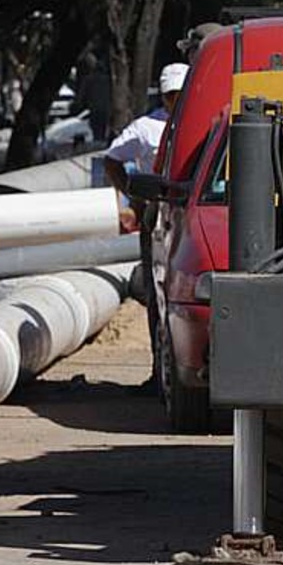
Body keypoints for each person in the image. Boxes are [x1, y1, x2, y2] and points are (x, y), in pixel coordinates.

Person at [103, 62, 188, 391]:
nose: (176, 101)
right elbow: (112, 159)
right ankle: (160, 369)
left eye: (181, 94)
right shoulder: (145, 128)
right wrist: (131, 198)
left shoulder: (204, 118)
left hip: (189, 207)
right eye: (171, 96)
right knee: (158, 291)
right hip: (158, 211)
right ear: (163, 96)